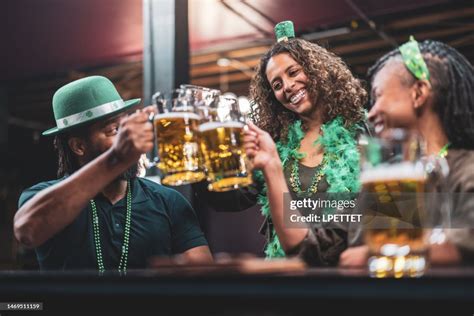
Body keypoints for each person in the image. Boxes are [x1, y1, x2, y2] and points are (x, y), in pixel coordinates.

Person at [14, 76, 212, 271]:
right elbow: (27, 230)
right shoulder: (43, 196)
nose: (126, 137)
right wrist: (116, 158)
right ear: (79, 146)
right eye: (114, 130)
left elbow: (203, 276)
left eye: (125, 127)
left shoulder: (168, 201)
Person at [212, 21, 368, 266]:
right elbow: (230, 199)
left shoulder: (363, 132)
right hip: (291, 276)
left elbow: (395, 211)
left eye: (293, 72)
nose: (287, 86)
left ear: (316, 69)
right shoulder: (276, 145)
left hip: (348, 272)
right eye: (277, 84)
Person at [339, 38, 474, 267]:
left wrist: (388, 254)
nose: (370, 114)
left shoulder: (466, 169)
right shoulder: (383, 181)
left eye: (378, 95)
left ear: (419, 92)